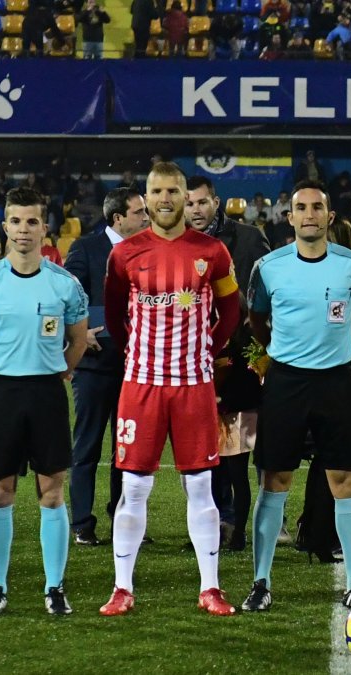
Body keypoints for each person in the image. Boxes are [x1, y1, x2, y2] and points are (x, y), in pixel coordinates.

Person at [98, 162, 241, 617]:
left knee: (200, 486)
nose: (165, 199)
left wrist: (205, 349)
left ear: (185, 196)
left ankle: (210, 588)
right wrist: (139, 354)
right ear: (145, 197)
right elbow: (117, 312)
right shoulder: (124, 255)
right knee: (134, 488)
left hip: (194, 387)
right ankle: (122, 587)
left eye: (173, 191)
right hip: (141, 387)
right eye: (156, 191)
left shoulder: (213, 251)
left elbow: (230, 311)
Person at [240, 180, 351, 612]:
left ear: (329, 216)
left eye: (318, 207)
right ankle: (261, 581)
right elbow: (258, 321)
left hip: (337, 382)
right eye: (301, 208)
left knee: (345, 480)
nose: (310, 214)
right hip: (286, 383)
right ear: (290, 217)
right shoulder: (268, 267)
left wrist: (337, 353)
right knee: (274, 480)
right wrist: (287, 354)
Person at [0, 186, 90, 616]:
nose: (23, 229)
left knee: (52, 493)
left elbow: (78, 340)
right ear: (5, 227)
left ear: (44, 227)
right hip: (2, 394)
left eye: (32, 221)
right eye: (15, 221)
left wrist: (61, 371)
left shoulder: (65, 284)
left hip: (47, 392)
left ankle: (54, 587)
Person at [184, 176, 271, 551]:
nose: (196, 210)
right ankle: (213, 522)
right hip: (193, 356)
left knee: (248, 449)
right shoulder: (177, 245)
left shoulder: (250, 239)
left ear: (216, 202)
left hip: (244, 358)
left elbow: (268, 295)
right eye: (189, 203)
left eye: (202, 202)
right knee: (203, 449)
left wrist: (262, 351)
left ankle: (255, 522)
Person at [64, 187, 148, 546]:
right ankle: (82, 523)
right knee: (87, 446)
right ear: (118, 218)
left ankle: (124, 522)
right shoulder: (85, 248)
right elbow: (67, 298)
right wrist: (81, 332)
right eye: (139, 212)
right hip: (95, 365)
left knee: (127, 450)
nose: (146, 217)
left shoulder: (148, 250)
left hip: (136, 366)